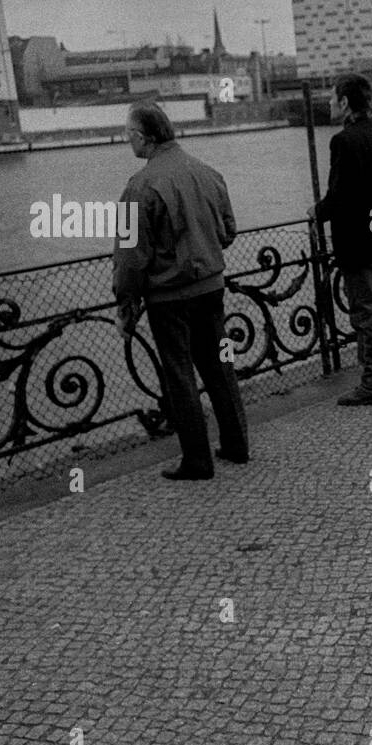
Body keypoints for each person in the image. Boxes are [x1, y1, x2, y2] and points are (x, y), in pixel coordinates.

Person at [113, 101, 249, 480]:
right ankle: (237, 444)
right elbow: (228, 231)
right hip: (211, 289)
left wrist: (125, 303)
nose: (128, 140)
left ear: (142, 137)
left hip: (169, 298)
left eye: (129, 134)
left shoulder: (139, 187)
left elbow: (130, 259)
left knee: (180, 375)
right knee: (220, 365)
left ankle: (197, 461)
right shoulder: (208, 173)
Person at [312, 73, 372, 406]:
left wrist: (317, 212)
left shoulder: (343, 141)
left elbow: (337, 196)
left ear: (344, 103)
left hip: (356, 241)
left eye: (331, 98)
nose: (327, 103)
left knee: (366, 313)